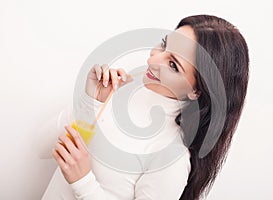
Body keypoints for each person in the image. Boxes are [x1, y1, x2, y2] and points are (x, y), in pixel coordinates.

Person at [39, 14, 249, 200]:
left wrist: (83, 182)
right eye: (164, 45)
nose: (153, 59)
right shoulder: (117, 90)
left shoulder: (171, 158)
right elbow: (40, 148)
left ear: (196, 91)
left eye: (173, 65)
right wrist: (89, 103)